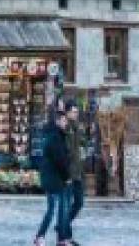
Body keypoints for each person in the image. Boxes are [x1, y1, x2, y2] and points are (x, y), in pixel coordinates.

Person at [35, 111, 71, 246]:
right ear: (58, 121)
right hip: (55, 179)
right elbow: (59, 160)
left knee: (57, 209)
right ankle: (43, 237)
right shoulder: (55, 137)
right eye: (64, 120)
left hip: (52, 178)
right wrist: (67, 177)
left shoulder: (53, 135)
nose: (66, 123)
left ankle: (54, 238)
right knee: (57, 209)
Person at [64, 104, 85, 244]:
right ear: (67, 112)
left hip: (78, 171)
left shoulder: (78, 127)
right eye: (74, 111)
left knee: (79, 202)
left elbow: (79, 147)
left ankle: (63, 225)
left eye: (77, 112)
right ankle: (67, 235)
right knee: (66, 204)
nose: (76, 114)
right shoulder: (65, 128)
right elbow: (66, 152)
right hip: (68, 173)